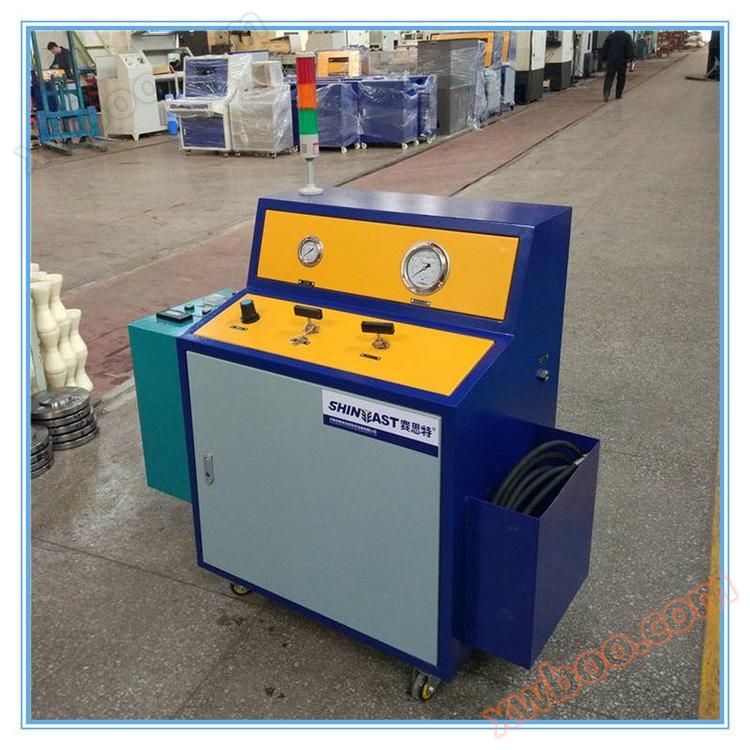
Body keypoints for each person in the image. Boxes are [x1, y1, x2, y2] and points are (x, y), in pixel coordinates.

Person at [600, 31, 635, 101]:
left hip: (611, 60)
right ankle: (618, 94)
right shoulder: (627, 36)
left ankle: (606, 93)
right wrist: (631, 59)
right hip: (622, 61)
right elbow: (630, 48)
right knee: (621, 78)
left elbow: (605, 48)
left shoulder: (610, 36)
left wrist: (603, 59)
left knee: (609, 77)